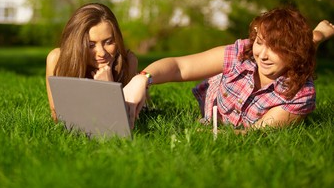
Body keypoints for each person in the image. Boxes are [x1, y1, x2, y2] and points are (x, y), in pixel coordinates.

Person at [123, 8, 334, 131]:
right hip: (225, 89)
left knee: (303, 51)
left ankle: (315, 37)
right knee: (282, 53)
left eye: (276, 48)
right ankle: (315, 36)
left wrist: (209, 134)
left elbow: (256, 133)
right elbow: (180, 67)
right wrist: (142, 78)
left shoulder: (300, 94)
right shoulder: (244, 53)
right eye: (260, 42)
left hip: (296, 62)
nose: (262, 54)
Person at [46, 3, 138, 121]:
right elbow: (58, 117)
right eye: (91, 45)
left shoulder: (128, 61)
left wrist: (109, 89)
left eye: (109, 42)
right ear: (76, 44)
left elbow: (124, 121)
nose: (102, 53)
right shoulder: (57, 59)